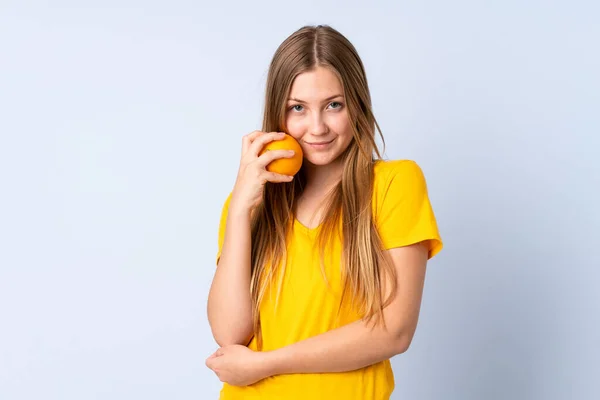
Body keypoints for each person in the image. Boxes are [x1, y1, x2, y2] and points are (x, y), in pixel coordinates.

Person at [205, 24, 443, 400]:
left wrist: (267, 363)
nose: (316, 127)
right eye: (297, 108)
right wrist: (239, 212)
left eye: (334, 105)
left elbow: (394, 331)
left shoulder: (394, 184)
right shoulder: (249, 204)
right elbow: (230, 334)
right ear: (277, 115)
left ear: (357, 104)